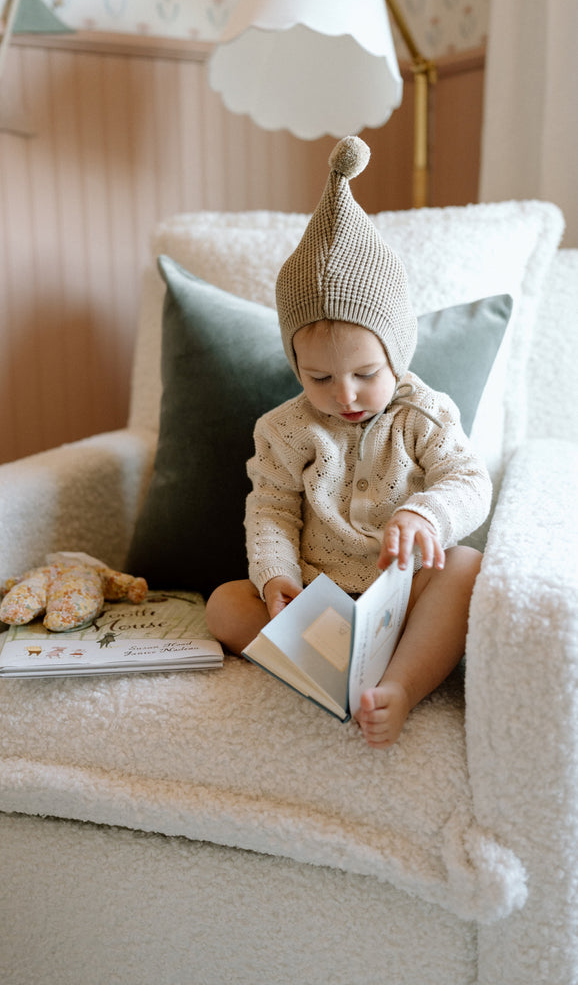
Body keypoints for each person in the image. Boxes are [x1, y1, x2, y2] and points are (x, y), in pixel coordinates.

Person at [205, 135, 492, 749]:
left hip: (404, 594)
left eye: (366, 374)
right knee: (225, 606)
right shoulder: (283, 429)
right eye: (319, 378)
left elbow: (470, 480)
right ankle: (326, 678)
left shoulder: (424, 413)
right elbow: (272, 510)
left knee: (466, 567)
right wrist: (276, 577)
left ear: (397, 353)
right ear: (295, 366)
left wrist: (424, 513)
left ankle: (402, 685)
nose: (346, 395)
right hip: (319, 602)